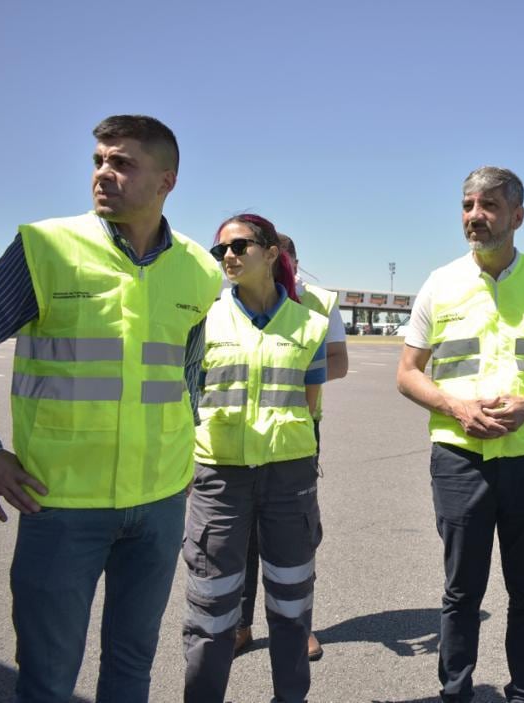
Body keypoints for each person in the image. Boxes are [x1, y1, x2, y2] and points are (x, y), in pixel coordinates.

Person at [0, 115, 222, 702]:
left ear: (167, 179)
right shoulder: (47, 247)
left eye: (122, 163)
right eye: (99, 160)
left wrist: (187, 448)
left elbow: (188, 370)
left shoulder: (199, 267)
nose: (104, 173)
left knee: (132, 662)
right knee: (48, 676)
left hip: (161, 501)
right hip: (62, 502)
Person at [396, 166, 524, 703]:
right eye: (467, 206)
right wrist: (455, 406)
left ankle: (523, 692)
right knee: (461, 591)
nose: (475, 217)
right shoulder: (440, 283)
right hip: (460, 460)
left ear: (517, 216)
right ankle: (455, 693)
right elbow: (408, 373)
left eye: (489, 206)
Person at [182, 214, 329, 703]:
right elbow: (186, 396)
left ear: (271, 254)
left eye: (240, 245)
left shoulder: (312, 323)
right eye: (220, 248)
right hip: (218, 480)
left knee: (291, 607)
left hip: (290, 481)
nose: (228, 255)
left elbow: (309, 406)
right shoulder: (201, 317)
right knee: (211, 610)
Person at [235, 232, 348, 661]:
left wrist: (298, 373)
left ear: (294, 261)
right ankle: (241, 625)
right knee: (241, 536)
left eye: (289, 260)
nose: (283, 267)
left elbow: (338, 362)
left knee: (295, 536)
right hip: (239, 430)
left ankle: (298, 627)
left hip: (299, 430)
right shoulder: (232, 300)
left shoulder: (319, 302)